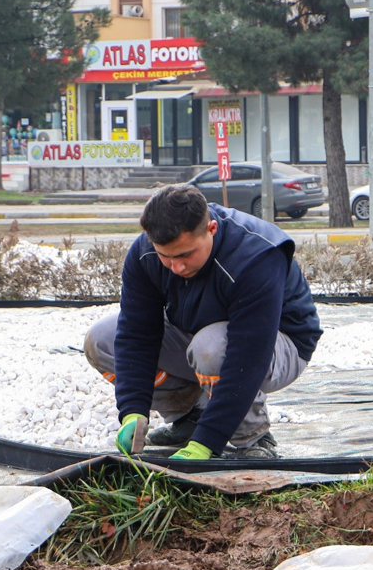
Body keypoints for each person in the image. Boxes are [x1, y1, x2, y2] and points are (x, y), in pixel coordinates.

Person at [84, 184, 322, 460]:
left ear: (211, 229)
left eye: (185, 254)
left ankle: (253, 438)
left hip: (279, 345)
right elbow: (136, 334)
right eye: (166, 256)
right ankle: (190, 418)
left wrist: (208, 442)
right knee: (102, 340)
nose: (177, 267)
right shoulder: (144, 253)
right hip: (198, 334)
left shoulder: (255, 256)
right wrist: (132, 410)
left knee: (211, 348)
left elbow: (249, 356)